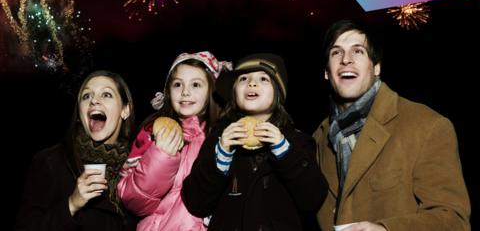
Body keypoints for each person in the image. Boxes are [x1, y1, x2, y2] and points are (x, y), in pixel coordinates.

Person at [313, 19, 471, 231]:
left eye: (358, 51)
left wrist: (386, 229)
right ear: (326, 72)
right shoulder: (318, 138)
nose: (346, 60)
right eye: (336, 53)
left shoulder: (426, 125)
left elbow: (453, 221)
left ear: (376, 67)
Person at [182, 53, 328, 231]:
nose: (252, 83)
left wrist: (285, 152)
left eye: (264, 79)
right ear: (234, 92)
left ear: (278, 93)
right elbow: (196, 202)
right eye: (243, 78)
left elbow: (313, 199)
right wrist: (222, 155)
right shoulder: (219, 138)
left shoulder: (298, 142)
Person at [117, 51, 231, 230]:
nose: (185, 92)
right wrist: (161, 157)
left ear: (211, 89)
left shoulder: (223, 137)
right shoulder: (152, 131)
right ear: (168, 91)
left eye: (196, 84)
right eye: (178, 84)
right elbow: (133, 202)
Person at [15, 70, 137, 231]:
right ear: (80, 114)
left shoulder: (137, 164)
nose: (94, 100)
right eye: (86, 96)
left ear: (125, 110)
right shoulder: (51, 162)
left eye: (106, 94)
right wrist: (72, 204)